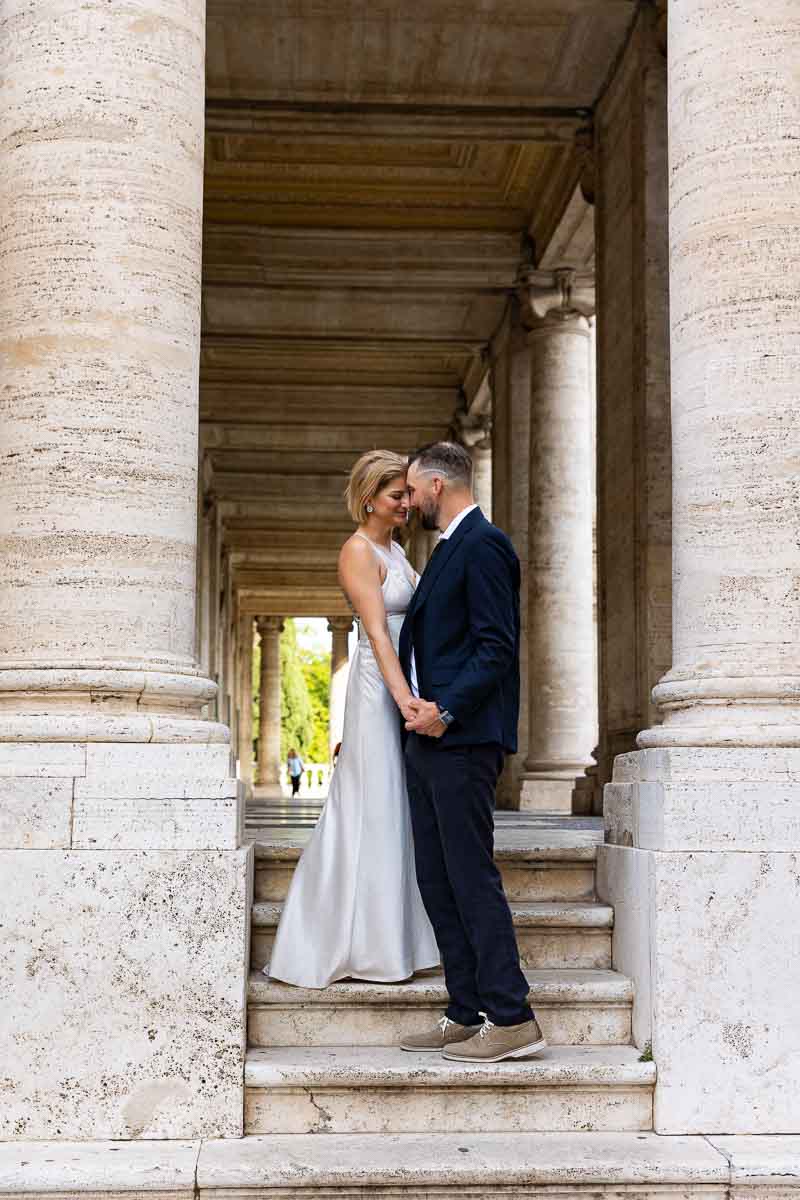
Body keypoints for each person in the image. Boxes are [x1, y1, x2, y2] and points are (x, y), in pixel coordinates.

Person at [398, 441, 546, 1063]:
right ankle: (466, 1009)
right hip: (430, 739)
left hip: (462, 738)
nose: (408, 501)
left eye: (411, 490)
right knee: (437, 877)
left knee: (470, 875)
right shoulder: (447, 548)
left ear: (437, 484)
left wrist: (446, 709)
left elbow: (496, 646)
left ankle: (512, 1017)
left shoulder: (484, 544)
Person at [267, 450, 438, 988]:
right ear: (370, 499)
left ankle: (396, 940)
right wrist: (404, 697)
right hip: (376, 685)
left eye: (408, 493)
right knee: (374, 802)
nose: (408, 502)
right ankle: (352, 944)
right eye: (397, 495)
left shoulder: (397, 547)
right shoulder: (357, 552)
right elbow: (378, 635)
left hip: (401, 678)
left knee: (398, 807)